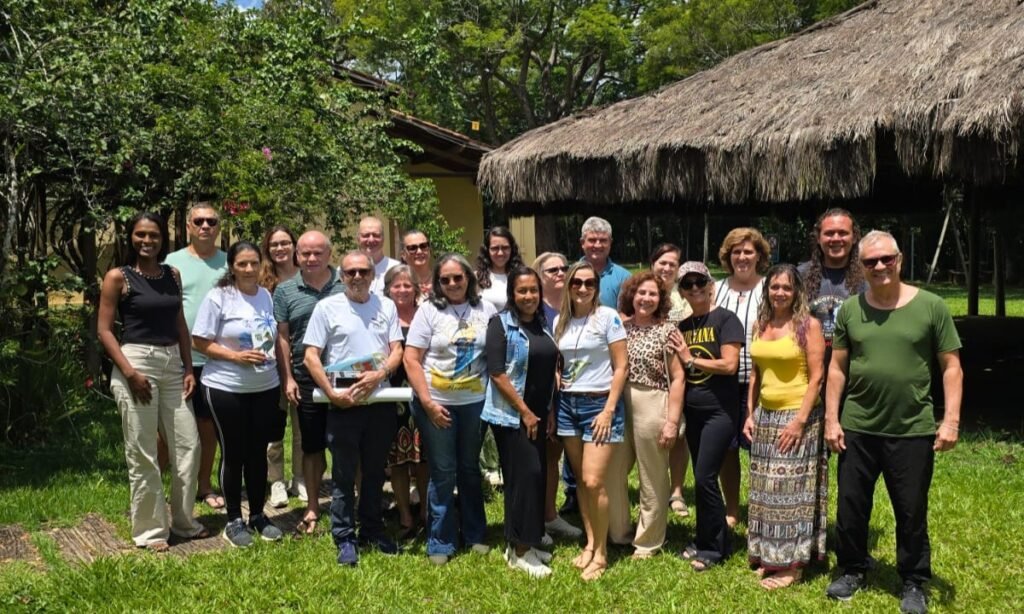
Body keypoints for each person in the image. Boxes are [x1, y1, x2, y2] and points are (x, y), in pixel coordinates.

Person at [824, 231, 962, 614]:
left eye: (887, 259)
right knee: (851, 507)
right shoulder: (849, 310)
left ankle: (914, 581)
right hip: (858, 426)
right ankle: (852, 568)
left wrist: (950, 421)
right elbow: (837, 369)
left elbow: (951, 367)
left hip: (912, 428)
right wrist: (832, 419)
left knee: (911, 510)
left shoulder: (932, 307)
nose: (880, 266)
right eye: (871, 261)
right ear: (861, 267)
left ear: (899, 260)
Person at [97, 212, 207, 552]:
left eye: (154, 235)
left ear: (162, 238)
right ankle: (151, 530)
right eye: (141, 235)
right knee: (143, 451)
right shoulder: (118, 277)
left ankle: (184, 522)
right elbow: (104, 330)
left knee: (189, 446)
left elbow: (180, 324)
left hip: (173, 363)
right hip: (136, 363)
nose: (147, 241)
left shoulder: (172, 275)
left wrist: (188, 368)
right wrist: (130, 373)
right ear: (131, 237)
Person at [304, 251, 405, 566]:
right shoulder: (326, 308)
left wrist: (380, 373)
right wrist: (331, 393)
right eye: (351, 272)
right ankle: (345, 537)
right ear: (341, 276)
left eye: (363, 271)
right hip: (344, 403)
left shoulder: (386, 306)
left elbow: (397, 349)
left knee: (374, 473)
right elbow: (311, 356)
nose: (357, 277)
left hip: (380, 401)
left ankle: (372, 530)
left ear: (373, 275)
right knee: (344, 475)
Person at [403, 254, 498, 565]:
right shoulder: (428, 311)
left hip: (474, 404)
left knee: (469, 468)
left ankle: (475, 533)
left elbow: (495, 354)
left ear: (468, 278)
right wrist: (428, 403)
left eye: (458, 277)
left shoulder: (486, 309)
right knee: (443, 471)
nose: (453, 283)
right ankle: (441, 541)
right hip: (436, 403)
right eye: (445, 279)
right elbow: (411, 359)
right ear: (438, 283)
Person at [192, 241, 284, 548]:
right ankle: (233, 520)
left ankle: (257, 515)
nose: (249, 269)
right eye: (242, 264)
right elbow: (199, 341)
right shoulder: (218, 297)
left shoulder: (265, 296)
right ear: (231, 267)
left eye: (254, 263)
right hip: (226, 387)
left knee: (257, 452)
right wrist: (235, 357)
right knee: (234, 453)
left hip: (265, 386)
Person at [743, 264, 827, 589]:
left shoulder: (808, 326)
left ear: (797, 292)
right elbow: (755, 374)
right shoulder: (760, 324)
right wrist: (750, 414)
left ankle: (792, 565)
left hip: (798, 416)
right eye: (774, 287)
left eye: (787, 288)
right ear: (767, 290)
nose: (780, 293)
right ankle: (769, 555)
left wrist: (799, 422)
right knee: (764, 490)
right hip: (765, 416)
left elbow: (817, 377)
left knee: (789, 492)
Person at [482, 266, 560, 578]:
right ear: (512, 294)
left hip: (538, 415)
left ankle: (525, 539)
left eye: (533, 290)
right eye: (522, 290)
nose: (529, 296)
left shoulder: (542, 324)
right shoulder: (500, 324)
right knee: (525, 478)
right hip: (513, 417)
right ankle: (520, 552)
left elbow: (546, 372)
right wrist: (525, 411)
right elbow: (497, 373)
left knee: (535, 477)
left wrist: (547, 411)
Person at [553, 262, 628, 581]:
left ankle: (601, 554)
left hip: (599, 405)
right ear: (568, 286)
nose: (582, 288)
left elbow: (621, 367)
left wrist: (609, 410)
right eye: (577, 283)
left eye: (589, 283)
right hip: (567, 405)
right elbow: (561, 361)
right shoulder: (560, 321)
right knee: (581, 482)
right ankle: (590, 542)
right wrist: (558, 378)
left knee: (594, 480)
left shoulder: (608, 317)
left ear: (597, 288)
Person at [668, 261, 743, 571]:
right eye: (688, 284)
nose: (695, 288)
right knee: (702, 480)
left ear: (711, 285)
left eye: (700, 282)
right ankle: (706, 537)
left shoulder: (726, 319)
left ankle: (714, 548)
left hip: (719, 412)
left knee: (704, 477)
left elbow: (729, 365)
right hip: (694, 412)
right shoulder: (683, 327)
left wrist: (690, 359)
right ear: (682, 291)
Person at [273, 230, 346, 533]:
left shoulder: (346, 283)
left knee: (347, 444)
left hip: (344, 376)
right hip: (305, 379)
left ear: (329, 254)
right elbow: (283, 337)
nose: (312, 258)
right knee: (311, 446)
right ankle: (313, 506)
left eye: (318, 253)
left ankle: (352, 503)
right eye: (305, 253)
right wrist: (287, 378)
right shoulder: (285, 291)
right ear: (297, 255)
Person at [617, 272, 685, 559]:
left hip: (652, 401)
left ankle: (648, 540)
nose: (646, 298)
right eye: (641, 293)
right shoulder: (619, 328)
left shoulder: (668, 331)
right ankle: (618, 531)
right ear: (631, 296)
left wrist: (672, 422)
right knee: (613, 470)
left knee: (652, 475)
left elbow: (678, 378)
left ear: (661, 299)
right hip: (619, 403)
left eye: (652, 294)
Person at [165, 202, 227, 510]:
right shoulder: (172, 262)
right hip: (178, 358)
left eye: (211, 221)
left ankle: (204, 485)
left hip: (216, 360)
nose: (205, 226)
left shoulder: (229, 263)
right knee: (168, 428)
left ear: (218, 227)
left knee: (207, 425)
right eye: (199, 221)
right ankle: (167, 484)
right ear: (189, 226)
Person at [713, 227, 769, 528]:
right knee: (728, 447)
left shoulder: (770, 287)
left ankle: (763, 507)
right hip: (723, 380)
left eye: (748, 251)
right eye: (736, 252)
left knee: (761, 446)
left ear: (759, 255)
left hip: (762, 379)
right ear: (728, 256)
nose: (742, 257)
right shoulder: (716, 288)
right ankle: (732, 509)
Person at [532, 252, 583, 538]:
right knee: (540, 458)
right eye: (553, 270)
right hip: (539, 392)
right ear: (540, 276)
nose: (561, 273)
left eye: (564, 268)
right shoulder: (533, 308)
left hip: (571, 393)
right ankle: (537, 517)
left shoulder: (574, 306)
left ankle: (550, 515)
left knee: (556, 456)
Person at [475, 227, 525, 485]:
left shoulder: (520, 275)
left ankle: (509, 471)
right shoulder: (477, 279)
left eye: (505, 247)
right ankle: (484, 469)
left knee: (509, 408)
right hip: (484, 351)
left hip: (515, 350)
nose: (500, 252)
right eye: (495, 247)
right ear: (487, 250)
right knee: (483, 413)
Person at [383, 265, 430, 539]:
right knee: (398, 461)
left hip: (423, 393)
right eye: (396, 285)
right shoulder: (383, 316)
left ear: (416, 288)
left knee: (424, 458)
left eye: (407, 285)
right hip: (391, 396)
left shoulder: (426, 314)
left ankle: (425, 512)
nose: (402, 290)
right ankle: (404, 516)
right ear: (388, 289)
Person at [259, 225, 303, 508]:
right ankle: (276, 481)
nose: (280, 248)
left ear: (294, 245)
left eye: (285, 242)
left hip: (303, 362)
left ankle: (300, 477)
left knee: (303, 427)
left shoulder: (307, 276)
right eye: (274, 244)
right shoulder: (262, 282)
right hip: (271, 365)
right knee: (274, 426)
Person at [650, 243, 693, 518]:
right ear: (652, 264)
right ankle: (653, 487)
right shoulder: (642, 290)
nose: (666, 268)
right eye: (662, 262)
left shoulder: (684, 297)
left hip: (680, 373)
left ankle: (676, 491)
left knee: (679, 433)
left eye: (672, 264)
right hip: (649, 375)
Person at [797, 208, 866, 374]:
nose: (836, 238)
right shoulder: (800, 275)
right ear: (818, 238)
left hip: (853, 370)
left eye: (843, 233)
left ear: (854, 237)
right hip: (806, 370)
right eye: (829, 233)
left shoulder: (867, 277)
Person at [579, 216, 631, 309]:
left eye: (603, 240)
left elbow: (625, 313)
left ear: (610, 243)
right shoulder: (568, 275)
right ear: (582, 243)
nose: (598, 245)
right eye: (592, 240)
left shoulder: (624, 277)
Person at [358, 216, 400, 295]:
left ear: (383, 238)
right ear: (358, 239)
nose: (371, 239)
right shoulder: (347, 271)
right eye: (366, 235)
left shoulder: (397, 269)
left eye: (376, 235)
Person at [401, 229, 434, 296]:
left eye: (423, 246)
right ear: (403, 255)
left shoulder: (443, 281)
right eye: (412, 248)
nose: (419, 251)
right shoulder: (398, 285)